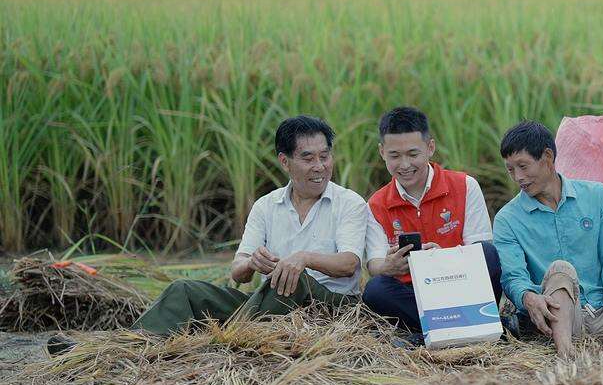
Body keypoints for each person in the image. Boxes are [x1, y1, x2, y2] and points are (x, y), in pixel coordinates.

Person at [49, 116, 386, 355]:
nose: (320, 166)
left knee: (289, 279)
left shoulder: (348, 203)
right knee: (184, 290)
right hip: (266, 303)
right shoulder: (266, 206)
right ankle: (121, 346)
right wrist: (252, 263)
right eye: (308, 158)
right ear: (285, 162)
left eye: (325, 156)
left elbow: (349, 264)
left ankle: (221, 338)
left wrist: (304, 258)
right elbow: (237, 272)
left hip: (329, 308)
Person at [492, 120, 603, 358]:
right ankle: (566, 356)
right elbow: (513, 277)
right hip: (556, 318)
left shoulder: (597, 196)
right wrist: (528, 297)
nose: (518, 177)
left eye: (523, 166)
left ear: (547, 157)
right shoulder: (507, 219)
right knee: (561, 269)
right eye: (510, 170)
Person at [361, 106, 502, 340]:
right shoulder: (376, 204)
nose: (404, 164)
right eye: (395, 156)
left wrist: (442, 259)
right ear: (382, 152)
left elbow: (480, 253)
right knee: (375, 290)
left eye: (413, 154)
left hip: (462, 285)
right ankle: (468, 326)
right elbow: (374, 263)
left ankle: (427, 334)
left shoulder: (465, 185)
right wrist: (389, 266)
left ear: (430, 148)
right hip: (413, 296)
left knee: (489, 254)